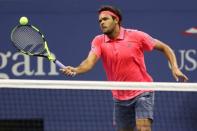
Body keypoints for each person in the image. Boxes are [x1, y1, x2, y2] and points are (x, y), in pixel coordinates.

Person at [60, 5, 188, 131]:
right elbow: (89, 62)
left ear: (116, 20)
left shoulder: (136, 36)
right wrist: (76, 69)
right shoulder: (98, 41)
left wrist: (175, 68)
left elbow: (165, 48)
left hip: (142, 90)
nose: (102, 23)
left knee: (144, 128)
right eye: (100, 21)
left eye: (105, 19)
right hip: (119, 97)